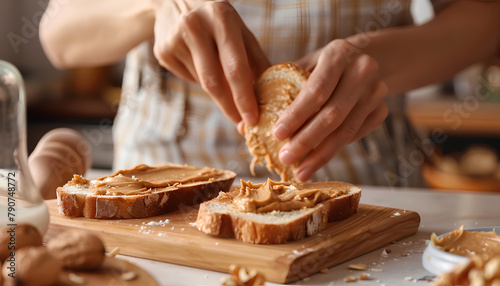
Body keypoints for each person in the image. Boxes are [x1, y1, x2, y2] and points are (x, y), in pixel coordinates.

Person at [39, 0, 500, 186]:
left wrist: (378, 61)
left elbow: (486, 21)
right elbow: (58, 34)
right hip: (156, 184)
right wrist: (153, 6)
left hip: (365, 183)